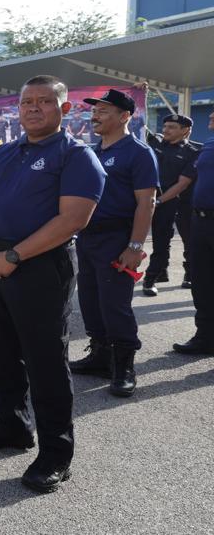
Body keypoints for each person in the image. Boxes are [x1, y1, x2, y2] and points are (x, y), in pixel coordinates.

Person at [0, 75, 106, 494]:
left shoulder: (76, 156)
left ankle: (55, 455)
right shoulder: (4, 153)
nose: (33, 108)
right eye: (27, 102)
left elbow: (72, 220)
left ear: (64, 109)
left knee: (45, 361)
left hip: (40, 266)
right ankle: (13, 426)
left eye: (45, 102)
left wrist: (12, 257)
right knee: (1, 351)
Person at [68, 89, 157, 398]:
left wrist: (135, 247)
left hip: (117, 238)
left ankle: (124, 366)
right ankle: (100, 356)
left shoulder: (139, 152)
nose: (95, 115)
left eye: (104, 111)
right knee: (90, 301)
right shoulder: (92, 151)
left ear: (124, 116)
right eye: (95, 110)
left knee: (114, 304)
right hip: (88, 237)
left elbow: (146, 203)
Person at [142, 114, 201, 296]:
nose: (166, 130)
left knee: (189, 242)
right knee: (160, 241)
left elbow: (182, 184)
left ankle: (190, 274)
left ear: (185, 131)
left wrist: (157, 201)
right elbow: (140, 122)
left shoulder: (194, 151)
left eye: (172, 127)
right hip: (158, 202)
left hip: (180, 203)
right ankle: (152, 277)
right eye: (165, 126)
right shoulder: (156, 143)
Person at [173, 109, 214, 356]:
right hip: (200, 221)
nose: (210, 115)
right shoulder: (209, 143)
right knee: (202, 283)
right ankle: (205, 338)